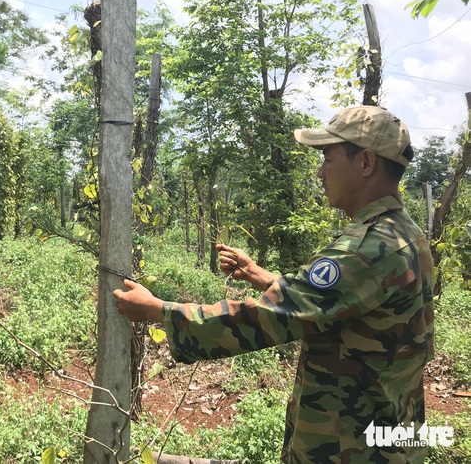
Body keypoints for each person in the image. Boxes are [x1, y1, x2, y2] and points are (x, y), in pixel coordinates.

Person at [113, 105, 435, 463]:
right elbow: (340, 305)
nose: (319, 172)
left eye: (328, 158)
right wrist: (259, 275)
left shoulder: (368, 249)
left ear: (365, 162)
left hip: (352, 446)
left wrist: (158, 311)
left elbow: (268, 318)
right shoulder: (405, 233)